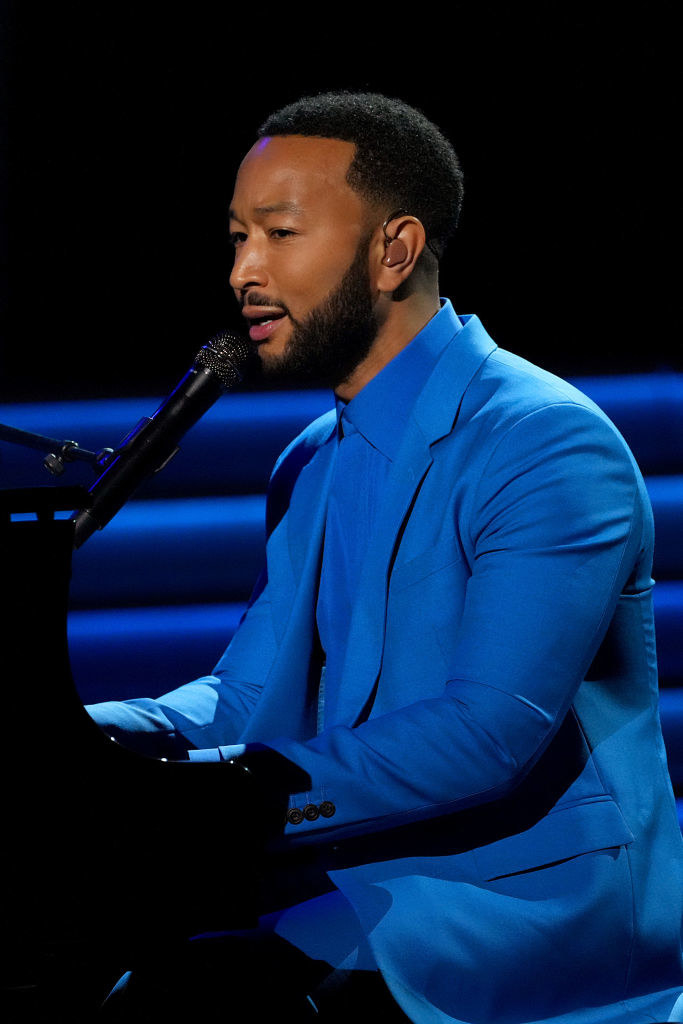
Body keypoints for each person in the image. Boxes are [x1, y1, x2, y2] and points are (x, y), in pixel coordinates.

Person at [88, 92, 683, 1023]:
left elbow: (487, 734)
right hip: (361, 872)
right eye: (237, 237)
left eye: (279, 235)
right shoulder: (311, 459)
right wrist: (89, 738)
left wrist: (219, 798)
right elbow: (248, 694)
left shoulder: (544, 440)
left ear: (393, 251)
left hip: (522, 898)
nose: (244, 270)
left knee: (195, 1003)